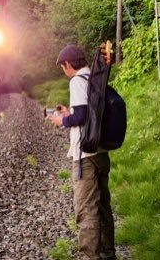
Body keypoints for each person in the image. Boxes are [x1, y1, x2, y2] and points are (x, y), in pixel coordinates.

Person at [47, 44, 116, 260]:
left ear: (68, 64)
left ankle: (90, 256)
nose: (64, 71)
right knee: (103, 205)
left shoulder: (77, 80)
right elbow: (87, 112)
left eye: (63, 67)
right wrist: (71, 113)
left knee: (86, 210)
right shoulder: (94, 77)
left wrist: (62, 120)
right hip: (101, 151)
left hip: (85, 156)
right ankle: (108, 253)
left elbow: (82, 117)